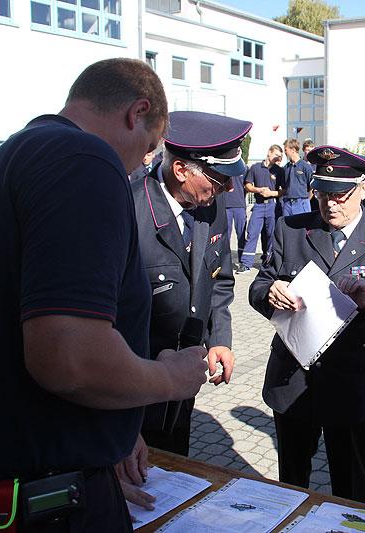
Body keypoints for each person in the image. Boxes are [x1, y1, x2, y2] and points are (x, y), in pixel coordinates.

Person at [0, 58, 208, 531]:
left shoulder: (18, 155)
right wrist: (170, 377)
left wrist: (97, 451)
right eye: (147, 148)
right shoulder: (83, 159)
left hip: (2, 488)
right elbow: (69, 358)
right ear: (136, 111)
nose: (141, 164)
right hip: (30, 507)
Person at [249, 145, 365, 503]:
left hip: (350, 382)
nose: (330, 204)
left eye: (340, 195)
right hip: (294, 379)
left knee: (350, 483)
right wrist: (270, 292)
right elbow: (258, 285)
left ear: (364, 186)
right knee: (291, 482)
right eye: (322, 193)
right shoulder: (291, 229)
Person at [130, 110, 243, 457]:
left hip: (184, 383)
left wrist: (219, 340)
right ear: (181, 170)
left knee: (176, 467)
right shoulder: (129, 211)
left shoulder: (211, 204)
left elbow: (220, 281)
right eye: (219, 177)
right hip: (136, 389)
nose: (229, 187)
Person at [238, 144, 284, 273]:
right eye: (276, 155)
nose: (278, 158)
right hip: (258, 205)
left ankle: (267, 262)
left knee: (270, 235)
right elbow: (247, 185)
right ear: (269, 152)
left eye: (280, 156)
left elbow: (283, 191)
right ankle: (246, 264)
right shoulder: (255, 167)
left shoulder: (279, 171)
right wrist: (258, 190)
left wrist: (272, 193)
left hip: (272, 205)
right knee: (252, 232)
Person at [277, 138, 314, 217]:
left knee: (302, 228)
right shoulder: (285, 168)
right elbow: (284, 187)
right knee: (287, 228)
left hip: (301, 204)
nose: (285, 153)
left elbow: (312, 188)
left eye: (286, 150)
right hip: (287, 204)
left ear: (293, 150)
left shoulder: (306, 167)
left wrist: (305, 201)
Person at [222, 170, 248, 267]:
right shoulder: (225, 168)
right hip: (226, 206)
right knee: (226, 235)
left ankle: (242, 261)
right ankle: (225, 261)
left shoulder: (244, 169)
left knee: (241, 235)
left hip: (239, 206)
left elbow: (247, 186)